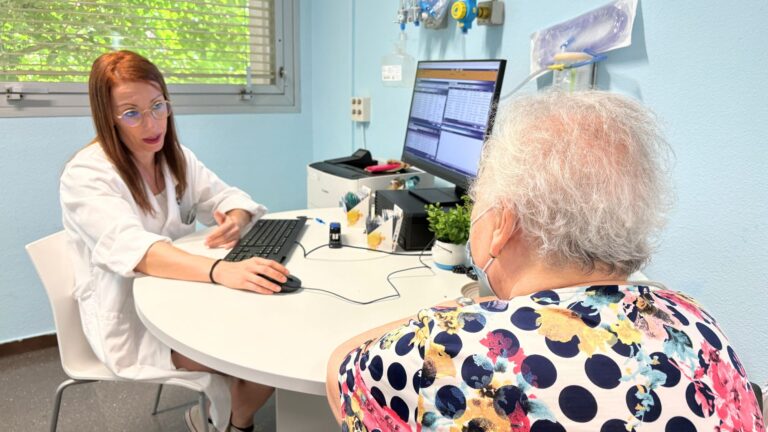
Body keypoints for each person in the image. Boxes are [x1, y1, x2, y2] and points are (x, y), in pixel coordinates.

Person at [325, 91, 766, 431]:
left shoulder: (449, 348)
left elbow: (342, 373)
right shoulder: (693, 318)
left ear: (502, 223)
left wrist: (443, 316)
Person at [60, 50, 290, 432]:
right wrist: (222, 271)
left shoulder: (173, 158)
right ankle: (234, 421)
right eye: (132, 112)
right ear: (108, 118)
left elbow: (228, 197)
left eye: (157, 106)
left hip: (183, 295)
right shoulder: (86, 174)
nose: (152, 123)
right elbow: (140, 251)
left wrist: (235, 219)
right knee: (264, 353)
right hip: (131, 319)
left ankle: (228, 416)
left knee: (276, 330)